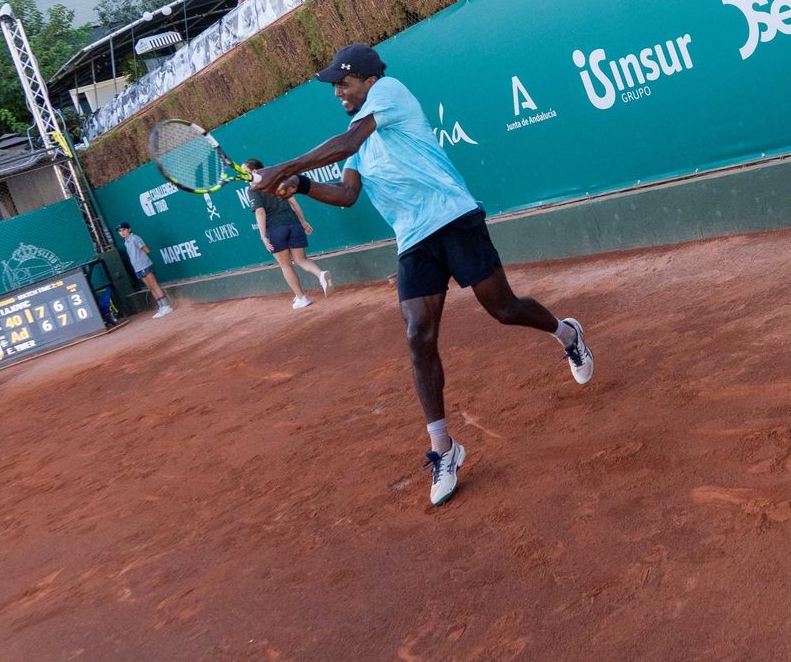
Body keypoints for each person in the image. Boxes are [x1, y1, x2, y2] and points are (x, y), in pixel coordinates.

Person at [251, 44, 594, 507]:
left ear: (367, 81)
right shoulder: (358, 140)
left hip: (453, 218)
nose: (337, 92)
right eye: (333, 85)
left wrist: (286, 167)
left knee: (505, 309)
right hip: (412, 240)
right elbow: (349, 195)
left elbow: (349, 141)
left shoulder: (388, 92)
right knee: (418, 336)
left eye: (343, 82)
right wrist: (306, 186)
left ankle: (565, 332)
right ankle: (444, 448)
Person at [243, 158, 333, 309]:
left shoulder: (253, 189)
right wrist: (303, 222)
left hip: (275, 230)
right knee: (301, 260)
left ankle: (301, 298)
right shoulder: (277, 182)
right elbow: (294, 203)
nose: (242, 175)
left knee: (285, 265)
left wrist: (263, 236)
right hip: (293, 225)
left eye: (245, 172)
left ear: (254, 171)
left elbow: (260, 212)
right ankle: (320, 274)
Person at [116, 222, 175, 317]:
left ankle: (167, 306)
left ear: (129, 229)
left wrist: (142, 260)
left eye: (124, 230)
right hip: (137, 268)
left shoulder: (135, 238)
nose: (122, 232)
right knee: (150, 287)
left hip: (144, 265)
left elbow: (147, 250)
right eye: (120, 231)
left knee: (154, 285)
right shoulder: (126, 242)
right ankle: (161, 307)